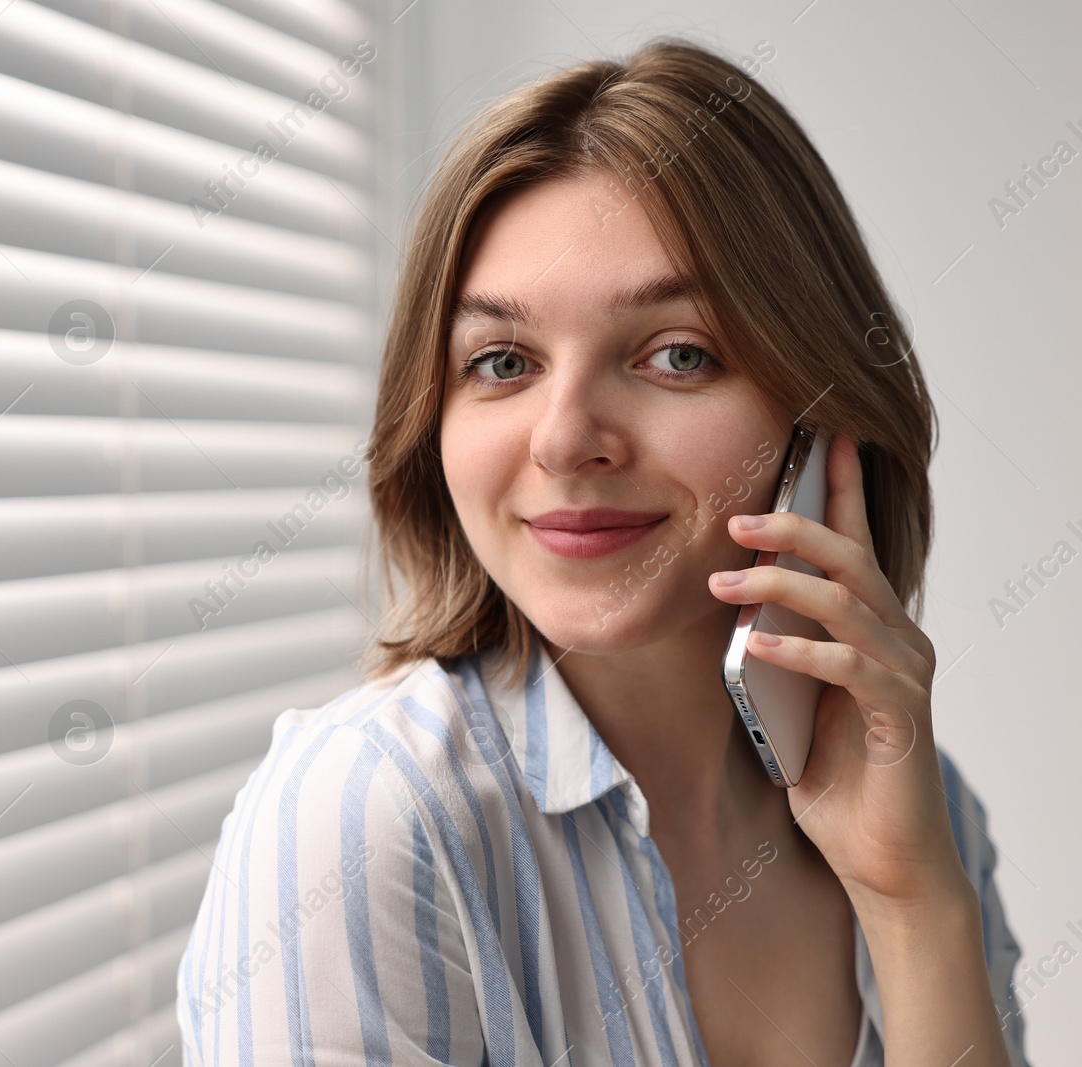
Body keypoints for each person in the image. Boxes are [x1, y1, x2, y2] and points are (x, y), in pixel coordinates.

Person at [174, 37, 1027, 1067]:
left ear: (819, 415)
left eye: (676, 353)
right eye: (500, 361)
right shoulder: (360, 818)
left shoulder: (925, 815)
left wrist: (913, 905)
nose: (564, 436)